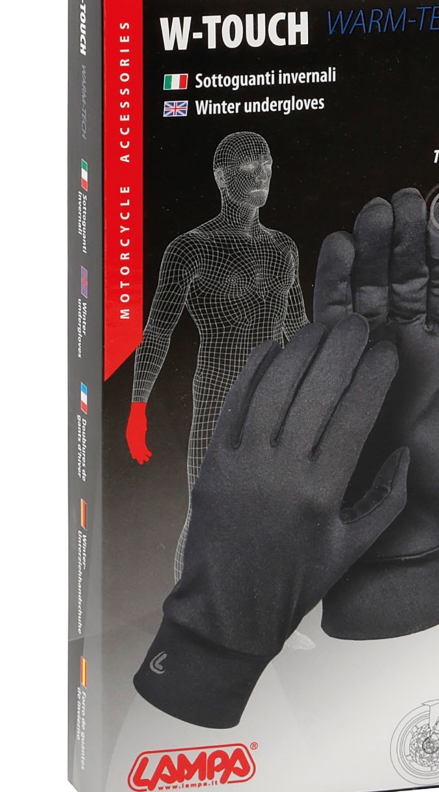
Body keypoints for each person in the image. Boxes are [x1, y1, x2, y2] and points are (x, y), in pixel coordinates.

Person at [126, 132, 308, 580]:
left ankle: (255, 613)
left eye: (267, 164)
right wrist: (137, 407)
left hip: (275, 397)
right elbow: (157, 332)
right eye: (249, 167)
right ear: (222, 177)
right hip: (218, 396)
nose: (262, 175)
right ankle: (185, 614)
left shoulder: (283, 247)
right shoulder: (192, 248)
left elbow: (300, 330)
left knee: (270, 514)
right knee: (207, 513)